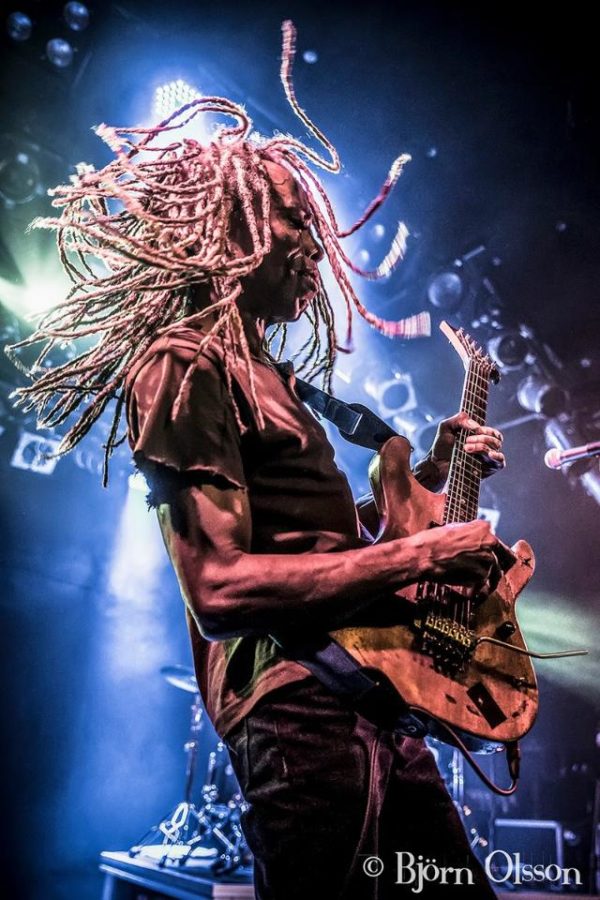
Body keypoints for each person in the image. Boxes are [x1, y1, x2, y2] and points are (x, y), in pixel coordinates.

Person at [8, 21, 505, 899]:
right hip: (298, 705)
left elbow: (326, 548)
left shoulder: (280, 380)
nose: (317, 246)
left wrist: (428, 479)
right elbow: (219, 589)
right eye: (295, 222)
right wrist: (422, 555)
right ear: (230, 224)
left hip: (373, 694)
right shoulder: (184, 362)